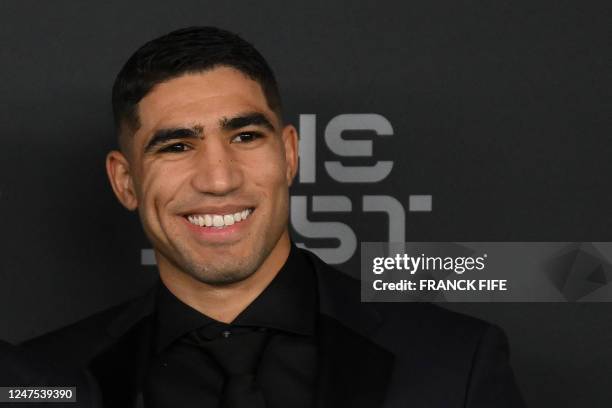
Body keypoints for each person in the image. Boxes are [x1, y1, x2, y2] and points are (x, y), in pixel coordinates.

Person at [23, 26, 526, 408]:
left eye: (245, 137)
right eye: (176, 146)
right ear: (125, 182)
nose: (219, 179)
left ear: (289, 155)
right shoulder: (35, 379)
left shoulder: (456, 361)